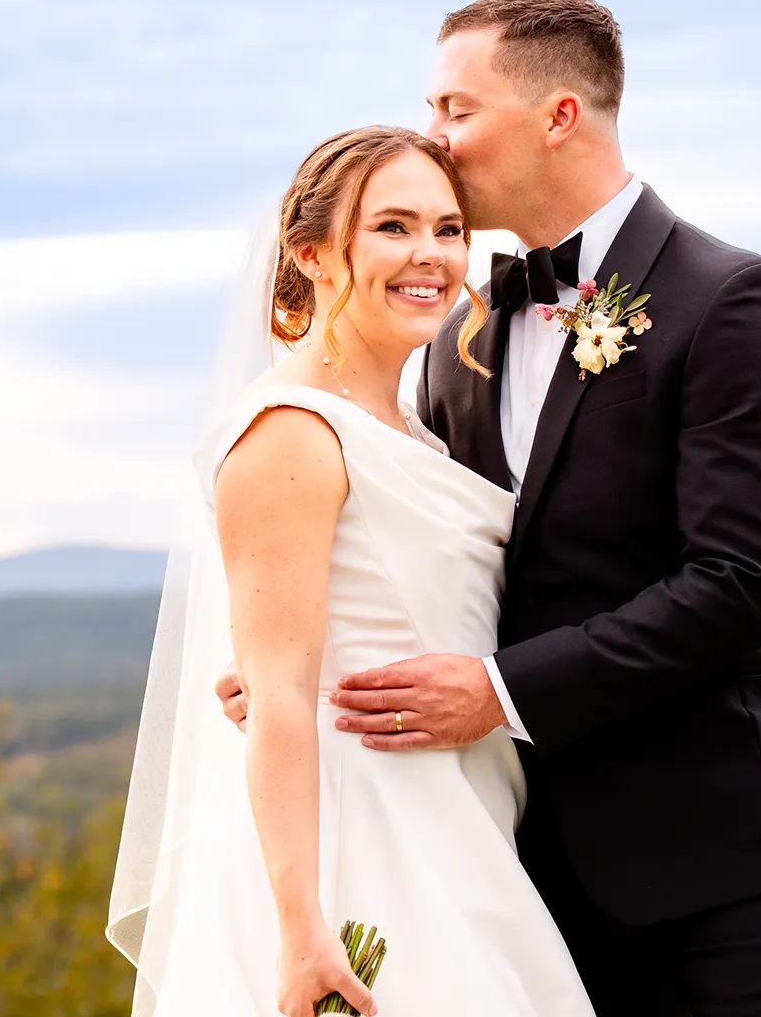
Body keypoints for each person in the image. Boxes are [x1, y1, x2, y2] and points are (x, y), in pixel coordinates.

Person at [218, 0, 761, 1015]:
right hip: (531, 881)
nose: (434, 139)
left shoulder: (732, 302)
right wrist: (310, 667)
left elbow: (738, 583)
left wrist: (496, 693)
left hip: (731, 867)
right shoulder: (456, 340)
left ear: (560, 116)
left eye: (456, 109)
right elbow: (439, 563)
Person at [107, 126, 598, 1016]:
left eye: (450, 230)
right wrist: (302, 929)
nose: (432, 256)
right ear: (311, 254)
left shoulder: (420, 422)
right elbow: (282, 697)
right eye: (394, 227)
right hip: (355, 837)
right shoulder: (292, 433)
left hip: (458, 820)